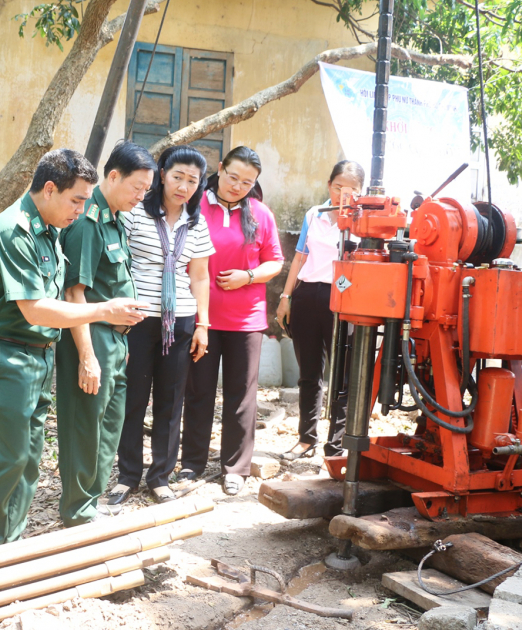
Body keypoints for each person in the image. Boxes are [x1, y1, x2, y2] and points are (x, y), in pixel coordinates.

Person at [0, 148, 148, 551]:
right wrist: (104, 310)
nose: (81, 209)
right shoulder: (13, 230)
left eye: (85, 201)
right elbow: (34, 307)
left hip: (37, 355)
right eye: (76, 200)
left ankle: (9, 542)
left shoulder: (48, 227)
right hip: (6, 354)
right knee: (8, 458)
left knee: (28, 461)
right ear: (49, 189)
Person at [57, 140, 157, 526]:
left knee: (110, 425)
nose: (141, 195)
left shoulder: (115, 218)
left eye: (147, 190)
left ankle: (91, 502)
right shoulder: (87, 222)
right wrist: (87, 354)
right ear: (113, 176)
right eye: (137, 187)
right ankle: (78, 511)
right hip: (91, 336)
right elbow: (74, 292)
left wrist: (121, 339)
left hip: (114, 339)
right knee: (85, 426)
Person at [109, 145, 214, 506]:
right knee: (133, 399)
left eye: (193, 180)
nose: (184, 186)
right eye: (177, 177)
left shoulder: (196, 222)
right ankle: (127, 476)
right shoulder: (135, 212)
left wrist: (203, 324)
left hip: (181, 321)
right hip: (138, 319)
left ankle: (160, 477)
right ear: (163, 174)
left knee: (170, 402)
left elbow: (199, 276)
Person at [179, 146, 285, 495]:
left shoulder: (260, 213)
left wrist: (249, 276)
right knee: (198, 391)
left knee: (242, 396)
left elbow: (275, 262)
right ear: (220, 169)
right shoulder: (195, 206)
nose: (238, 186)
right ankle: (192, 463)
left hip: (246, 319)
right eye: (233, 177)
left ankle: (235, 468)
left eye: (247, 181)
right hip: (201, 318)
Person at [275, 160, 364, 460]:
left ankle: (336, 444)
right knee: (309, 373)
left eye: (352, 189)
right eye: (338, 187)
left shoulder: (364, 221)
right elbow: (300, 258)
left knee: (343, 375)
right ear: (329, 186)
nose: (343, 194)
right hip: (307, 295)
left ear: (361, 193)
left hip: (343, 299)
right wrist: (286, 296)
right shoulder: (315, 214)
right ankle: (306, 438)